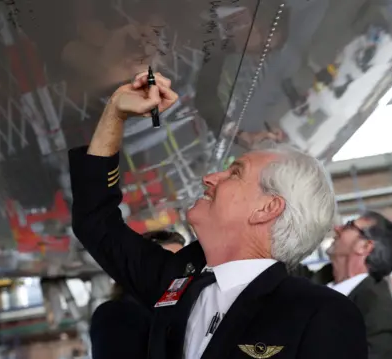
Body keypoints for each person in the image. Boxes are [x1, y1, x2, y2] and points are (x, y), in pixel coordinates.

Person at [69, 71, 367, 359]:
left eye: (235, 173)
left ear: (267, 208)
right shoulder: (177, 281)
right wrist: (115, 112)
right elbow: (95, 220)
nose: (210, 178)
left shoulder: (320, 314)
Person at [294, 211, 392, 359]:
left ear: (364, 246)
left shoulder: (378, 312)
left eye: (349, 225)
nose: (337, 228)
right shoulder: (315, 282)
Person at [90, 230, 186, 359]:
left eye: (183, 266)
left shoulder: (182, 311)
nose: (177, 274)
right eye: (166, 264)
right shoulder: (116, 314)